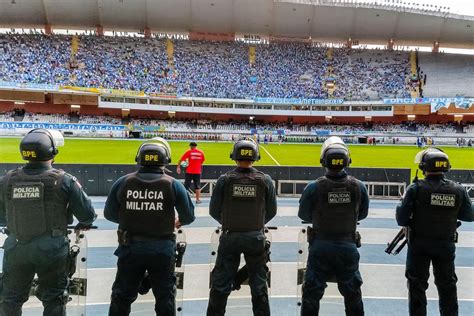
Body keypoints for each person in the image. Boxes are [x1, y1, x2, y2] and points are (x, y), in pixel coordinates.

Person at [0, 128, 97, 316]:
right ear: (52, 151)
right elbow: (87, 214)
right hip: (52, 249)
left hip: (16, 247)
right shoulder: (64, 180)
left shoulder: (6, 180)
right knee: (54, 299)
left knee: (10, 299)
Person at [105, 138, 195, 316]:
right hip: (162, 249)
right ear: (166, 159)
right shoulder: (173, 184)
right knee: (165, 298)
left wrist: (130, 219)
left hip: (130, 248)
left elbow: (109, 213)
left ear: (138, 158)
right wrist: (177, 222)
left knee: (121, 297)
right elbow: (188, 216)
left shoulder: (123, 182)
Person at [396, 147, 474, 316]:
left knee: (417, 286)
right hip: (445, 245)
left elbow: (401, 219)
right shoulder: (458, 189)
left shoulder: (415, 188)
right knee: (447, 285)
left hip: (419, 245)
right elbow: (469, 215)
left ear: (424, 167)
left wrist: (403, 203)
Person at [298, 136, 369, 316]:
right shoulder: (359, 186)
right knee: (353, 295)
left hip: (320, 246)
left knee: (311, 295)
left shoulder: (314, 187)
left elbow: (303, 215)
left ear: (323, 160)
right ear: (347, 160)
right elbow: (362, 214)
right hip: (347, 246)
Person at [207, 139, 277, 316]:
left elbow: (214, 210)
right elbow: (272, 211)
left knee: (220, 286)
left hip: (230, 237)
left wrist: (230, 223)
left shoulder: (224, 180)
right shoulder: (265, 180)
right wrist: (256, 224)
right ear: (255, 157)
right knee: (259, 287)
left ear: (234, 156)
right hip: (256, 238)